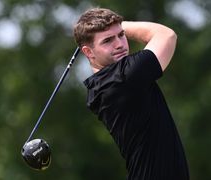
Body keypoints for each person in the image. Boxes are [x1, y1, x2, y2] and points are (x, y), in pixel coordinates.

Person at [73, 7, 189, 180]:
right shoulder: (125, 77)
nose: (119, 44)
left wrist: (112, 25)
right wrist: (122, 25)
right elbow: (167, 35)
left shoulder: (101, 86)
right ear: (88, 52)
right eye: (108, 40)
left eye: (121, 35)